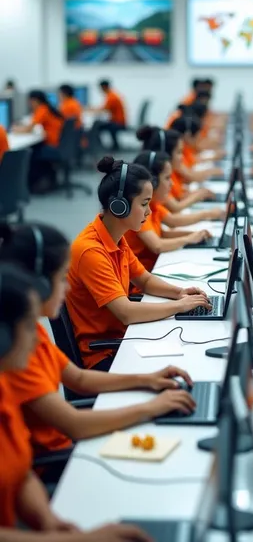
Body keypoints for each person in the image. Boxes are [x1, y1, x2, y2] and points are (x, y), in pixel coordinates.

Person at [0, 221, 198, 461]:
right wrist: (152, 407)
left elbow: (78, 378)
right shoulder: (17, 353)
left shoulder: (31, 332)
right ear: (38, 287)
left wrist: (148, 379)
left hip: (70, 446)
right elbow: (75, 424)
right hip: (61, 459)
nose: (69, 286)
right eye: (63, 277)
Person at [0, 262, 151, 542]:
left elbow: (22, 472)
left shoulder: (3, 384)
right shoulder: (14, 374)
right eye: (28, 330)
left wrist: (48, 521)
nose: (36, 340)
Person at [66, 157, 210, 370]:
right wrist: (179, 306)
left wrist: (179, 293)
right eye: (144, 204)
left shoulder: (115, 237)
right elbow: (126, 312)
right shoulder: (91, 250)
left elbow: (145, 280)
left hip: (125, 339)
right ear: (119, 206)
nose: (149, 212)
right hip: (105, 355)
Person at [125, 151, 213, 269]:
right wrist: (189, 237)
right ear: (153, 181)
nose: (171, 183)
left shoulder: (153, 205)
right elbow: (157, 245)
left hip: (154, 269)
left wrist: (194, 235)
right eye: (167, 178)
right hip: (143, 276)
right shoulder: (140, 210)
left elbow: (163, 232)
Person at [136, 126, 214, 210]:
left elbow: (179, 196)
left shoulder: (167, 174)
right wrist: (198, 196)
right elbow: (175, 208)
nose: (182, 157)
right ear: (166, 153)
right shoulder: (158, 182)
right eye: (179, 152)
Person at [12, 91, 64, 192]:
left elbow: (29, 128)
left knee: (31, 153)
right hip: (59, 144)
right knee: (33, 148)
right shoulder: (48, 108)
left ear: (35, 100)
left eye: (30, 101)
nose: (29, 104)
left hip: (53, 145)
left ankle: (33, 183)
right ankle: (45, 179)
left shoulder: (42, 109)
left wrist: (15, 129)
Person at [95, 80, 127, 151]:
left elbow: (104, 109)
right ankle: (115, 145)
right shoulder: (112, 95)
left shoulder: (111, 97)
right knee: (100, 125)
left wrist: (91, 110)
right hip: (117, 121)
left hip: (118, 122)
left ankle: (99, 146)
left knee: (97, 127)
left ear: (104, 87)